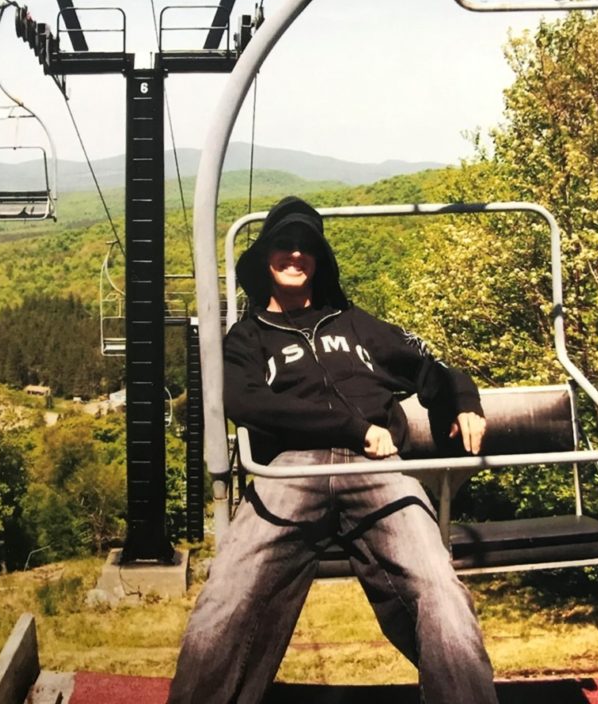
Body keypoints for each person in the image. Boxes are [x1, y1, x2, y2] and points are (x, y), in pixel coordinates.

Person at [168, 196, 498, 704]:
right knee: (228, 594)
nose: (295, 255)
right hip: (289, 472)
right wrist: (353, 427)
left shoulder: (356, 324)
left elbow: (430, 368)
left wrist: (463, 401)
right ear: (265, 258)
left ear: (318, 260)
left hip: (377, 470)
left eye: (306, 247)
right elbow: (245, 402)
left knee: (437, 587)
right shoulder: (249, 337)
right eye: (284, 245)